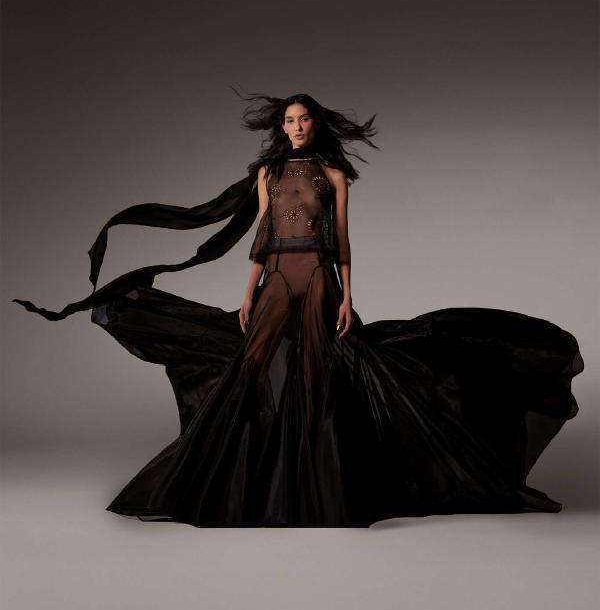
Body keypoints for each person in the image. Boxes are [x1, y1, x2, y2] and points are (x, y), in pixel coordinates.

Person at [13, 89, 584, 527]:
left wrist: (349, 295)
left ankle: (324, 490)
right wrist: (248, 293)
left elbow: (343, 239)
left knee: (319, 371)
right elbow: (261, 235)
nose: (295, 127)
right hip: (276, 278)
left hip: (319, 278)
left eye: (303, 119)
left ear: (316, 124)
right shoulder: (267, 174)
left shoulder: (334, 176)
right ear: (280, 127)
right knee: (253, 369)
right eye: (288, 121)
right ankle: (236, 488)